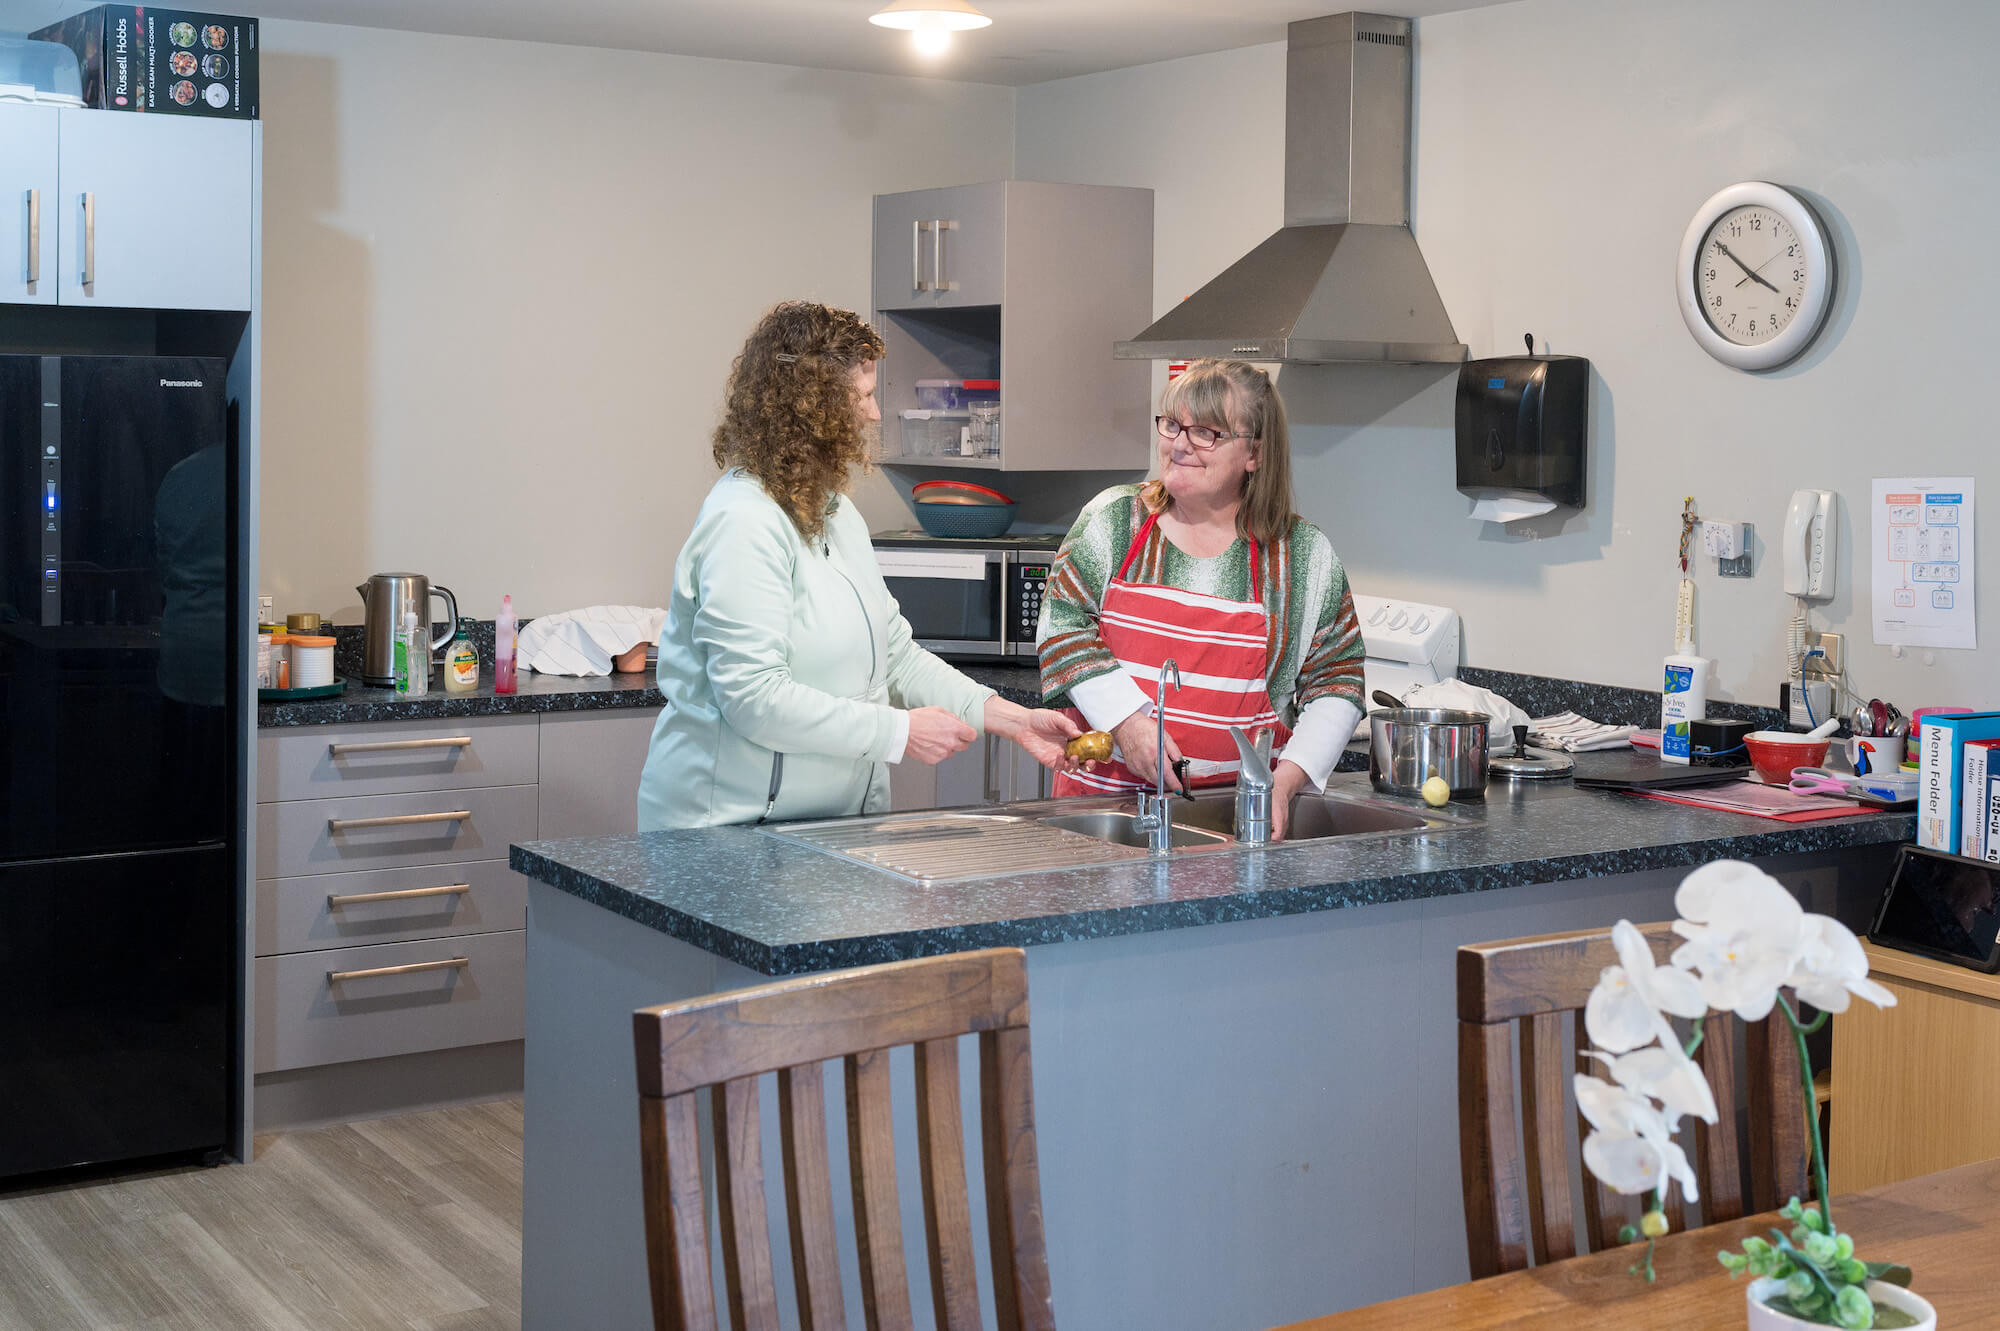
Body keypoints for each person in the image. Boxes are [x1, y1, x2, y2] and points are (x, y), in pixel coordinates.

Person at [637, 301, 1079, 831]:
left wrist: (1012, 719)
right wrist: (897, 733)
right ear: (813, 408)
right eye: (865, 396)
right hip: (727, 831)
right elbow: (754, 699)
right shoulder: (746, 522)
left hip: (826, 824)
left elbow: (894, 655)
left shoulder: (835, 512)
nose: (873, 415)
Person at [1038, 358, 1366, 840]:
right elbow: (1061, 625)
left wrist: (1283, 783)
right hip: (1098, 812)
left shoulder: (1301, 556)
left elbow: (1338, 678)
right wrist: (1129, 724)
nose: (1179, 445)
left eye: (1206, 432)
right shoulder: (1115, 520)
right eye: (1172, 425)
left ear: (1254, 452)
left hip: (1230, 823)